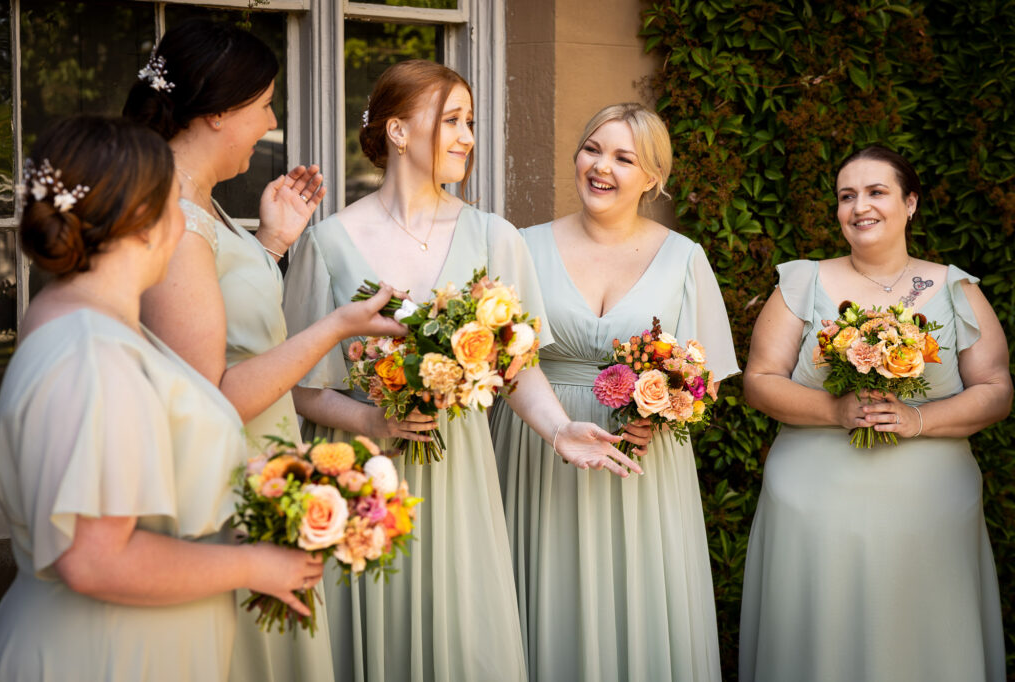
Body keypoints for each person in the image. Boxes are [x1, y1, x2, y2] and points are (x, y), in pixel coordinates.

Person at [282, 60, 642, 682]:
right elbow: (303, 387)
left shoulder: (496, 238)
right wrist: (375, 420)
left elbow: (518, 368)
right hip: (363, 473)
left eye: (470, 122)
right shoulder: (328, 242)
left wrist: (559, 430)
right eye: (452, 120)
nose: (468, 137)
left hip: (461, 474)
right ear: (397, 132)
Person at [0, 115, 324, 680]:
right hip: (105, 654)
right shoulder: (92, 353)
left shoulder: (76, 318)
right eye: (174, 200)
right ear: (145, 221)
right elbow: (95, 559)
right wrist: (253, 564)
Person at [123, 19, 405, 682]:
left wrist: (271, 245)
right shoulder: (174, 221)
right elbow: (213, 395)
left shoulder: (207, 207)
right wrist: (333, 327)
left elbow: (232, 326)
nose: (272, 119)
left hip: (264, 471)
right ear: (220, 112)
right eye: (264, 104)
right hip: (224, 494)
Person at [738, 145, 1010, 682]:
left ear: (910, 203)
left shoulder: (955, 289)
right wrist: (835, 409)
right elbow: (759, 381)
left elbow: (997, 390)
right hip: (812, 503)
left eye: (876, 192)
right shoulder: (802, 283)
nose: (859, 206)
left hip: (931, 506)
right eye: (846, 196)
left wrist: (919, 420)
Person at [488, 103, 738, 682]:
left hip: (642, 460)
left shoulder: (684, 259)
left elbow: (707, 379)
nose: (601, 167)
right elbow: (503, 359)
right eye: (593, 149)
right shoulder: (520, 247)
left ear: (652, 177)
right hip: (537, 452)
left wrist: (669, 411)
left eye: (624, 158)